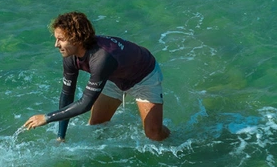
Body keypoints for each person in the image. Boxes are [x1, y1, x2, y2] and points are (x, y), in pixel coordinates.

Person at [21, 11, 170, 141]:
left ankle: (177, 138)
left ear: (76, 38)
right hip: (112, 77)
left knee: (154, 135)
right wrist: (61, 136)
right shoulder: (69, 56)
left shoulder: (101, 59)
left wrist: (47, 118)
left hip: (142, 77)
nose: (56, 44)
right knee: (96, 125)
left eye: (61, 39)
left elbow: (85, 104)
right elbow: (67, 95)